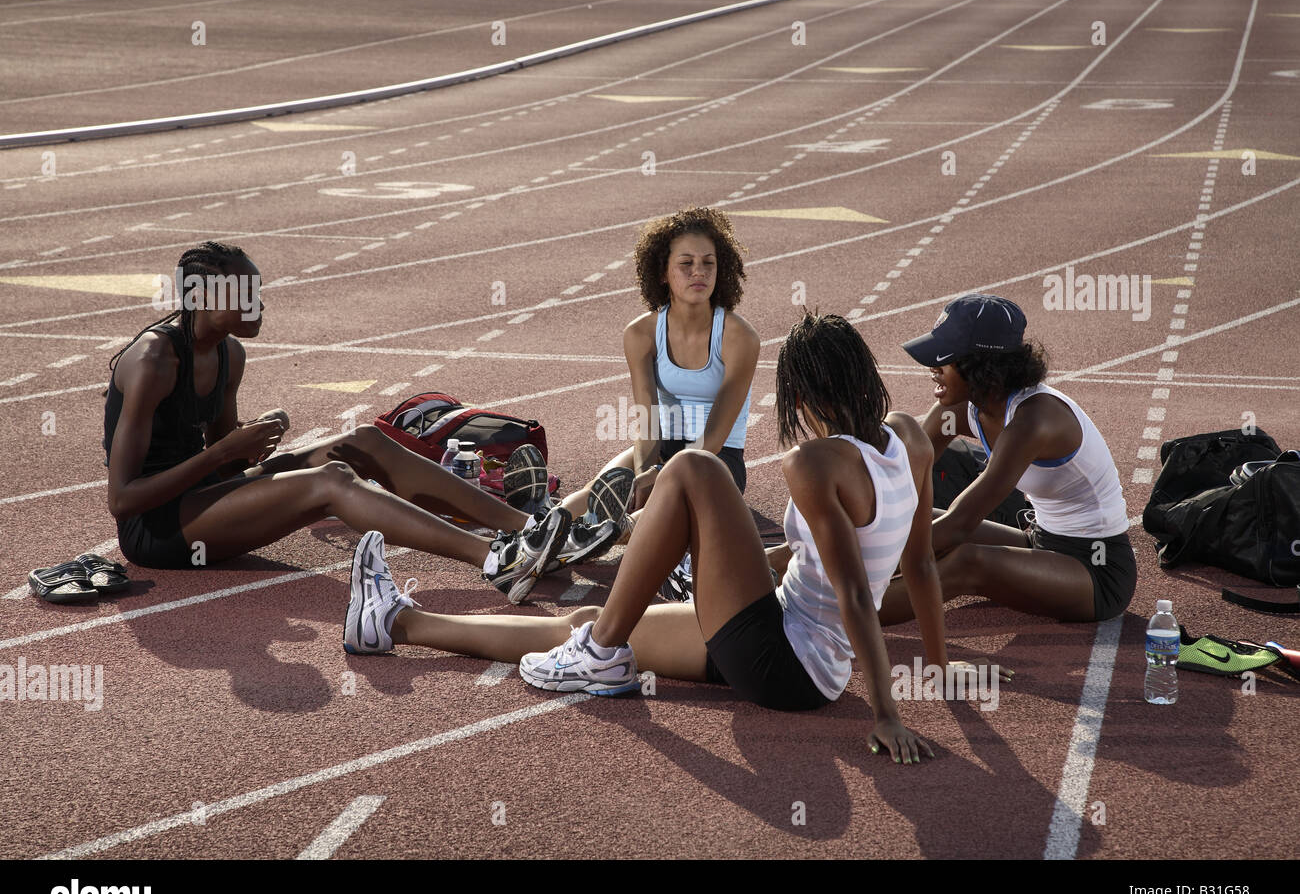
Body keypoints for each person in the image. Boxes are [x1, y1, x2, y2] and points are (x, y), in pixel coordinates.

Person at [344, 313, 946, 764]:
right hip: (799, 651)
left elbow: (852, 590)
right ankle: (396, 623)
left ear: (805, 396)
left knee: (692, 468)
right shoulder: (910, 439)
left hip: (783, 660)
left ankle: (602, 651)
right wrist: (940, 674)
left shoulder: (815, 463)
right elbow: (917, 564)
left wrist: (887, 715)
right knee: (590, 616)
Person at [102, 241, 617, 603]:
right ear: (199, 299)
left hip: (202, 497)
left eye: (257, 290)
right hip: (158, 529)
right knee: (332, 483)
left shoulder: (230, 354)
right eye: (243, 294)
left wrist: (246, 447)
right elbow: (123, 500)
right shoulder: (154, 362)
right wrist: (224, 452)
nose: (258, 304)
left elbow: (223, 462)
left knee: (365, 441)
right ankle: (494, 561)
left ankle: (533, 532)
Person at [533, 207, 758, 599]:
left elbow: (715, 436)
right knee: (598, 490)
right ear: (661, 272)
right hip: (663, 447)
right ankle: (536, 539)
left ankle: (604, 534)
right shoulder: (640, 334)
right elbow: (647, 422)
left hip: (715, 461)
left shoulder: (739, 336)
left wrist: (662, 477)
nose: (698, 272)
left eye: (708, 263)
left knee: (661, 502)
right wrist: (646, 471)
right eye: (685, 263)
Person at [878, 293, 1137, 625]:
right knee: (911, 519)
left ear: (981, 366)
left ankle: (834, 614)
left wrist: (858, 567)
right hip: (1039, 542)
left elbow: (959, 525)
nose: (933, 369)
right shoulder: (960, 409)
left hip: (1097, 572)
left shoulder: (1035, 421)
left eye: (945, 359)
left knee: (966, 562)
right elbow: (894, 474)